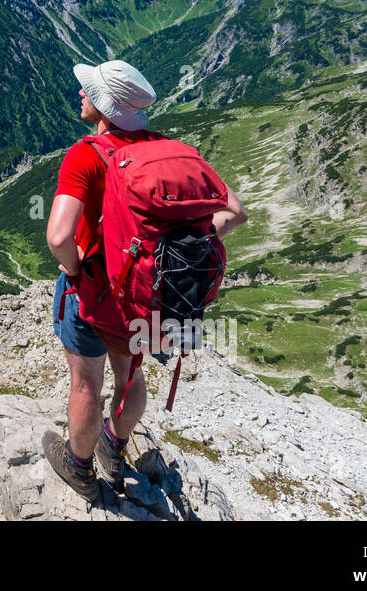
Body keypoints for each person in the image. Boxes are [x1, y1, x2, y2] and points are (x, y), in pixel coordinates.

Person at [41, 59, 247, 501]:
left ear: (103, 106)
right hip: (151, 298)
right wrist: (172, 252)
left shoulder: (85, 155)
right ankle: (113, 447)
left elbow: (58, 236)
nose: (81, 93)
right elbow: (235, 213)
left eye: (89, 90)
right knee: (131, 378)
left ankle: (79, 470)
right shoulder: (173, 150)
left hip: (95, 296)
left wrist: (75, 267)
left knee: (85, 387)